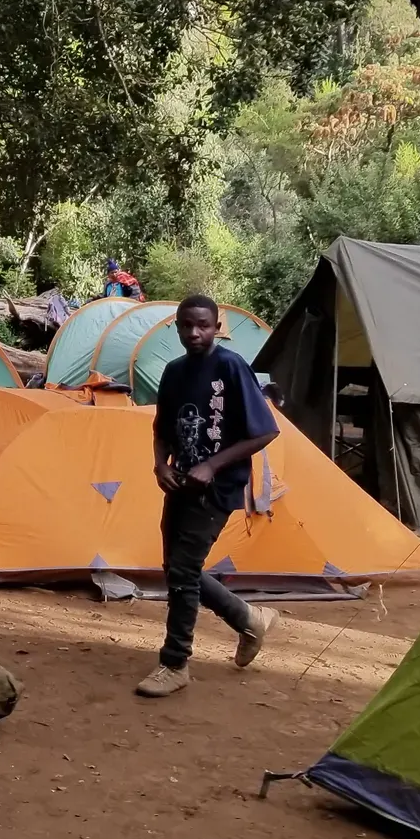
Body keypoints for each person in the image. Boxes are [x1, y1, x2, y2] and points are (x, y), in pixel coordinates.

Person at [136, 293, 281, 697]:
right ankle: (248, 619)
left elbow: (266, 430)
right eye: (186, 325)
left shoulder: (231, 367)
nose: (194, 333)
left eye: (203, 325)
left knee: (182, 570)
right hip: (180, 481)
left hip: (219, 486)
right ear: (177, 326)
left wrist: (212, 466)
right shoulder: (174, 371)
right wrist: (161, 465)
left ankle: (175, 662)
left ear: (218, 327)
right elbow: (162, 427)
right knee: (178, 569)